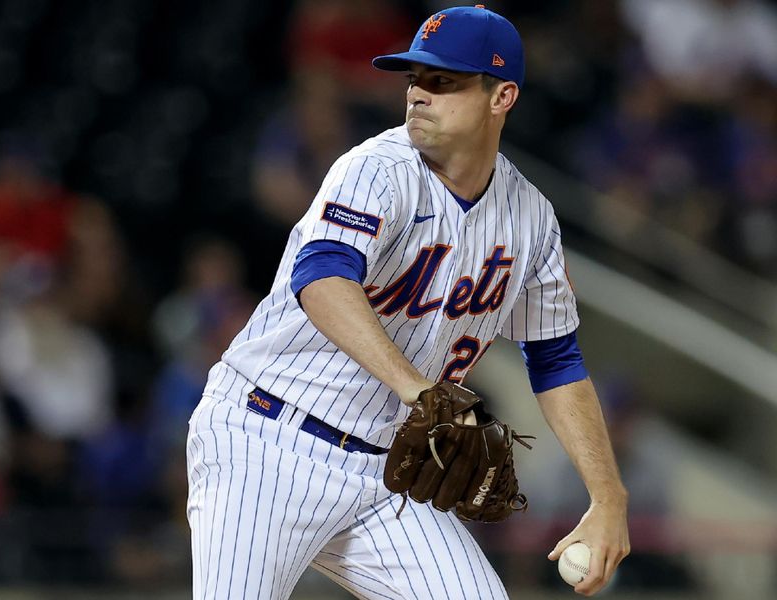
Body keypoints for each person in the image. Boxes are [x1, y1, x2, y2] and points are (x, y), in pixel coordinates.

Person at [187, 5, 629, 599]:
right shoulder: (376, 169)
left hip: (383, 472)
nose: (418, 93)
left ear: (502, 97)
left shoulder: (531, 219)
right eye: (414, 78)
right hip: (266, 439)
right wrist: (420, 390)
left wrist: (608, 497)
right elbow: (321, 279)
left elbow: (556, 361)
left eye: (443, 81)